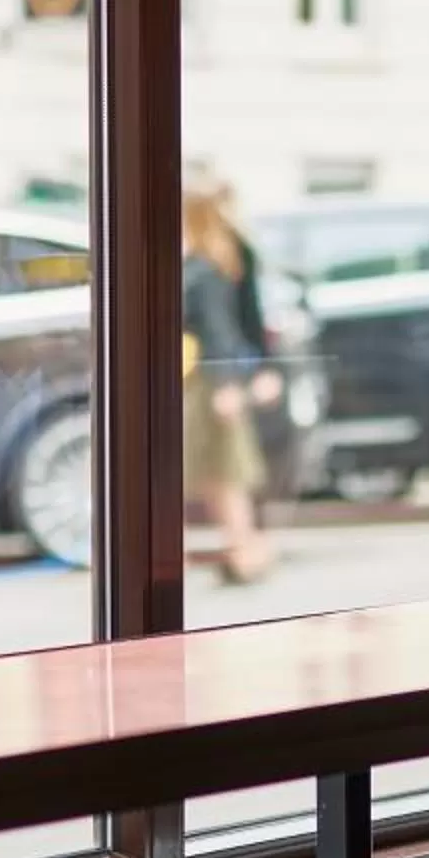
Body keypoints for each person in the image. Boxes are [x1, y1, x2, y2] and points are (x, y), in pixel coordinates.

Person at [182, 184, 281, 585]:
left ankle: (244, 549)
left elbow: (219, 329)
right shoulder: (226, 257)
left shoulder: (206, 267)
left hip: (207, 381)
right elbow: (250, 322)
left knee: (220, 471)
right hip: (213, 379)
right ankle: (244, 548)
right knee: (221, 473)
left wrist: (227, 383)